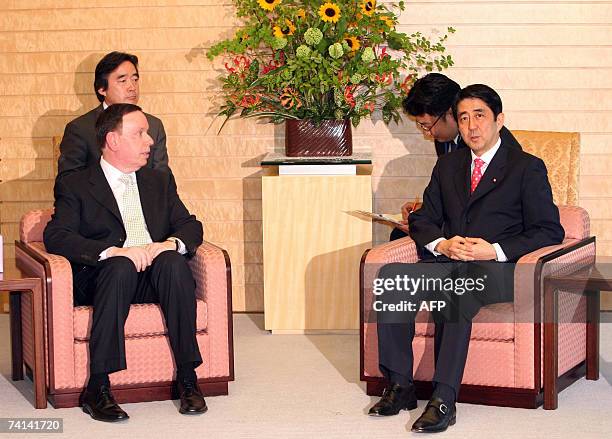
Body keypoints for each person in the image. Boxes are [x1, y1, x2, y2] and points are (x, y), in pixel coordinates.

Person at [368, 84, 564, 433]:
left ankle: (443, 399)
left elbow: (549, 230)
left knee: (458, 290)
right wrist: (442, 244)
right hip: (448, 262)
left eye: (480, 117)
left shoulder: (526, 167)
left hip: (499, 269)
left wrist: (495, 249)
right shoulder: (449, 166)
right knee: (391, 278)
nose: (472, 127)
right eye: (463, 118)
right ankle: (400, 386)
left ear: (499, 120)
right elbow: (424, 218)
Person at [44, 104, 205, 422]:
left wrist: (169, 244)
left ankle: (188, 379)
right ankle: (98, 387)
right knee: (120, 266)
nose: (149, 141)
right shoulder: (76, 183)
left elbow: (190, 225)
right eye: (139, 133)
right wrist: (111, 252)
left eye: (147, 133)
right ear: (113, 140)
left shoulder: (158, 180)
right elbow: (57, 236)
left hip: (151, 277)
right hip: (104, 277)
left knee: (172, 262)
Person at [390, 73, 521, 241]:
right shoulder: (444, 140)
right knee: (401, 233)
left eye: (427, 126)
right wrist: (428, 209)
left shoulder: (490, 143)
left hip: (485, 234)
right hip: (457, 224)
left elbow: (493, 207)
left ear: (451, 114)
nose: (427, 133)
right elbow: (455, 190)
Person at [57, 51, 169, 179]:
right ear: (102, 89)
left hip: (145, 198)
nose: (132, 87)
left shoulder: (154, 125)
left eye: (135, 79)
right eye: (123, 81)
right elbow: (67, 182)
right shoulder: (80, 129)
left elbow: (163, 178)